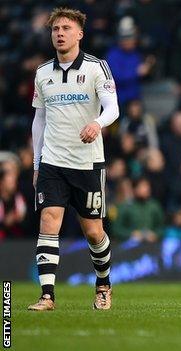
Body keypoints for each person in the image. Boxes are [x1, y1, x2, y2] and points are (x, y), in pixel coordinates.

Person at [29, 8, 119, 311]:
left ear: (79, 33)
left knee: (94, 231)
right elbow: (39, 120)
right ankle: (47, 295)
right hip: (53, 161)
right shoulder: (42, 73)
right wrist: (36, 163)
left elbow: (112, 108)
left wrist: (98, 124)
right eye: (55, 29)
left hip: (87, 163)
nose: (60, 33)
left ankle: (103, 284)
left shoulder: (97, 68)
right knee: (48, 220)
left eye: (66, 28)